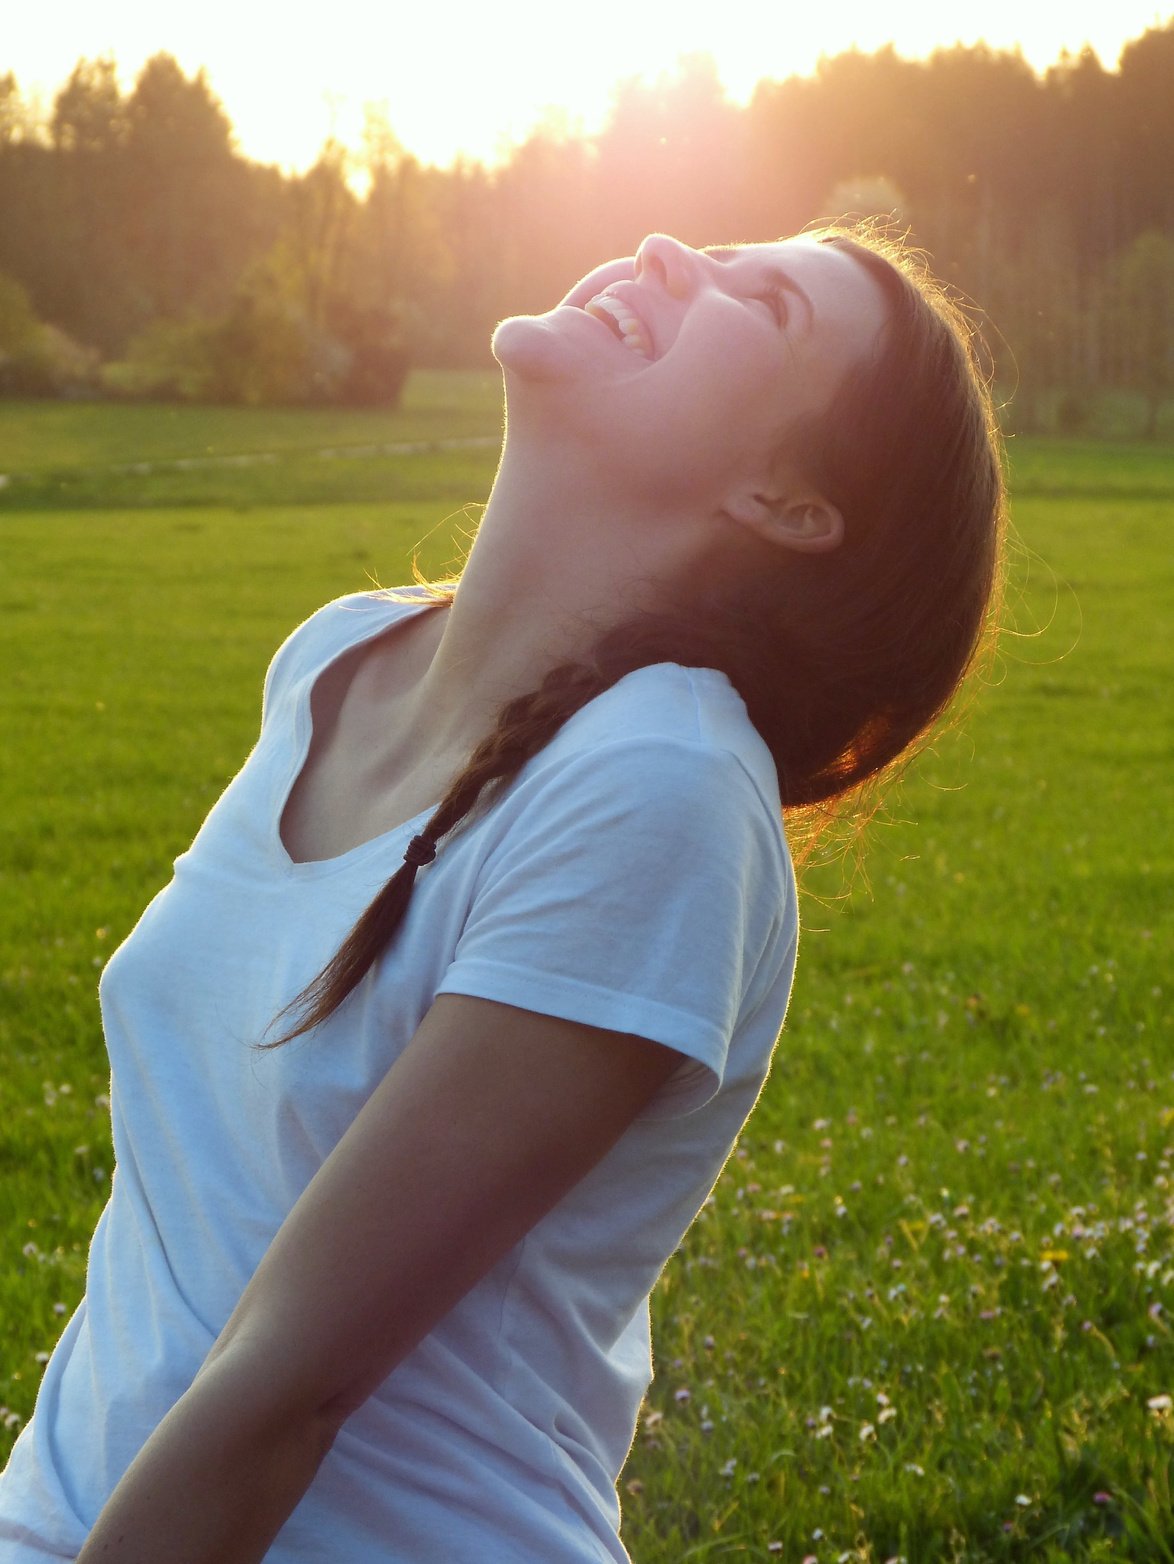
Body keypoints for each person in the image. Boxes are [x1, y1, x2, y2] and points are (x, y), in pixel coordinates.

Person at [0, 227, 1004, 1563]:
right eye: (708, 243)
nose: (661, 249)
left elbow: (289, 1381)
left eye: (755, 300)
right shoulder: (340, 657)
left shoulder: (661, 782)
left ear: (786, 500)